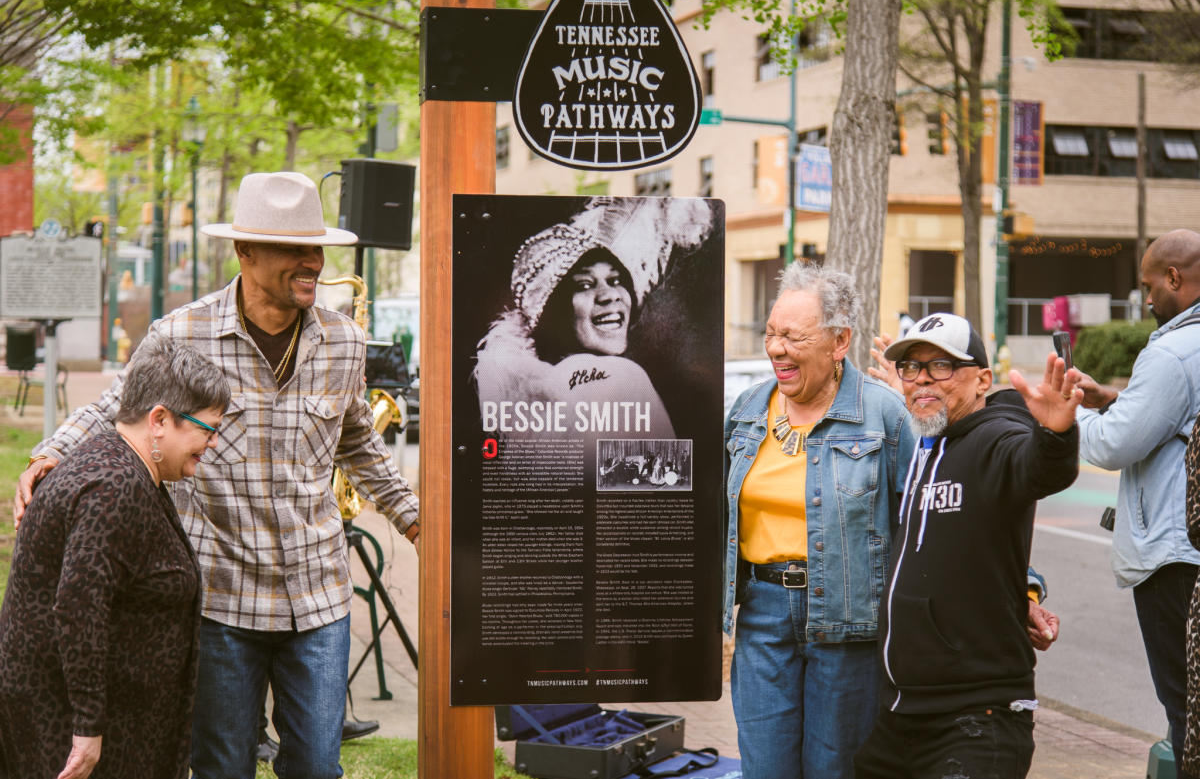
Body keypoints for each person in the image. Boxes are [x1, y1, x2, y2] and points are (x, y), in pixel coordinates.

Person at [13, 171, 420, 779]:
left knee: (317, 767)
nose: (312, 262)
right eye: (294, 249)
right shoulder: (181, 334)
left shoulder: (343, 341)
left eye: (317, 249)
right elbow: (116, 407)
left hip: (321, 598)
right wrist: (51, 452)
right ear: (245, 251)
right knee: (223, 767)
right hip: (221, 602)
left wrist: (415, 521)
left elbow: (358, 440)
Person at [853, 313, 1080, 779]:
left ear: (982, 380)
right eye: (911, 368)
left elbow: (1037, 467)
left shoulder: (996, 438)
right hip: (902, 716)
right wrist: (925, 394)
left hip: (978, 719)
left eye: (940, 366)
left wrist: (1055, 435)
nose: (921, 379)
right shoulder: (927, 444)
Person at [0, 339, 229, 779]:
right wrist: (88, 727)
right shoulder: (113, 486)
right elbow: (78, 607)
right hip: (69, 731)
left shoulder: (123, 464)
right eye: (207, 429)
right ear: (159, 419)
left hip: (105, 725)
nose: (212, 443)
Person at [723, 263, 916, 779]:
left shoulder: (884, 416)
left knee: (836, 769)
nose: (776, 348)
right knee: (764, 768)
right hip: (763, 615)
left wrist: (1021, 587)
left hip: (849, 620)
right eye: (771, 333)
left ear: (838, 341)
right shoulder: (745, 411)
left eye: (792, 336)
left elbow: (930, 518)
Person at [1075, 229, 1200, 779]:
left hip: (1174, 555)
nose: (1147, 299)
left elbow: (1110, 445)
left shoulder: (1173, 352)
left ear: (1174, 278)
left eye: (1150, 286)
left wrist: (1065, 413)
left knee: (1185, 711)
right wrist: (1114, 399)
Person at [474, 196, 715, 440]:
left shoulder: (533, 400)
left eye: (616, 281)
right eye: (585, 285)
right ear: (552, 313)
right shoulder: (618, 375)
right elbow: (664, 478)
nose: (610, 295)